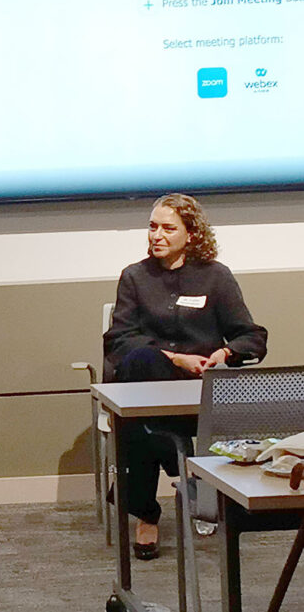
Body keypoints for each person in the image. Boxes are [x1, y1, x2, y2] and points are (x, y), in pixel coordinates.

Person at [103, 193, 267, 560]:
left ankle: (146, 509)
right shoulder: (135, 277)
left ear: (191, 234)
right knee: (141, 359)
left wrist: (224, 353)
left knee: (138, 426)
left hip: (196, 396)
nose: (156, 235)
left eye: (167, 228)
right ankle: (176, 458)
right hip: (145, 387)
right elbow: (119, 339)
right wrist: (177, 358)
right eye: (152, 226)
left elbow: (252, 336)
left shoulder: (216, 277)